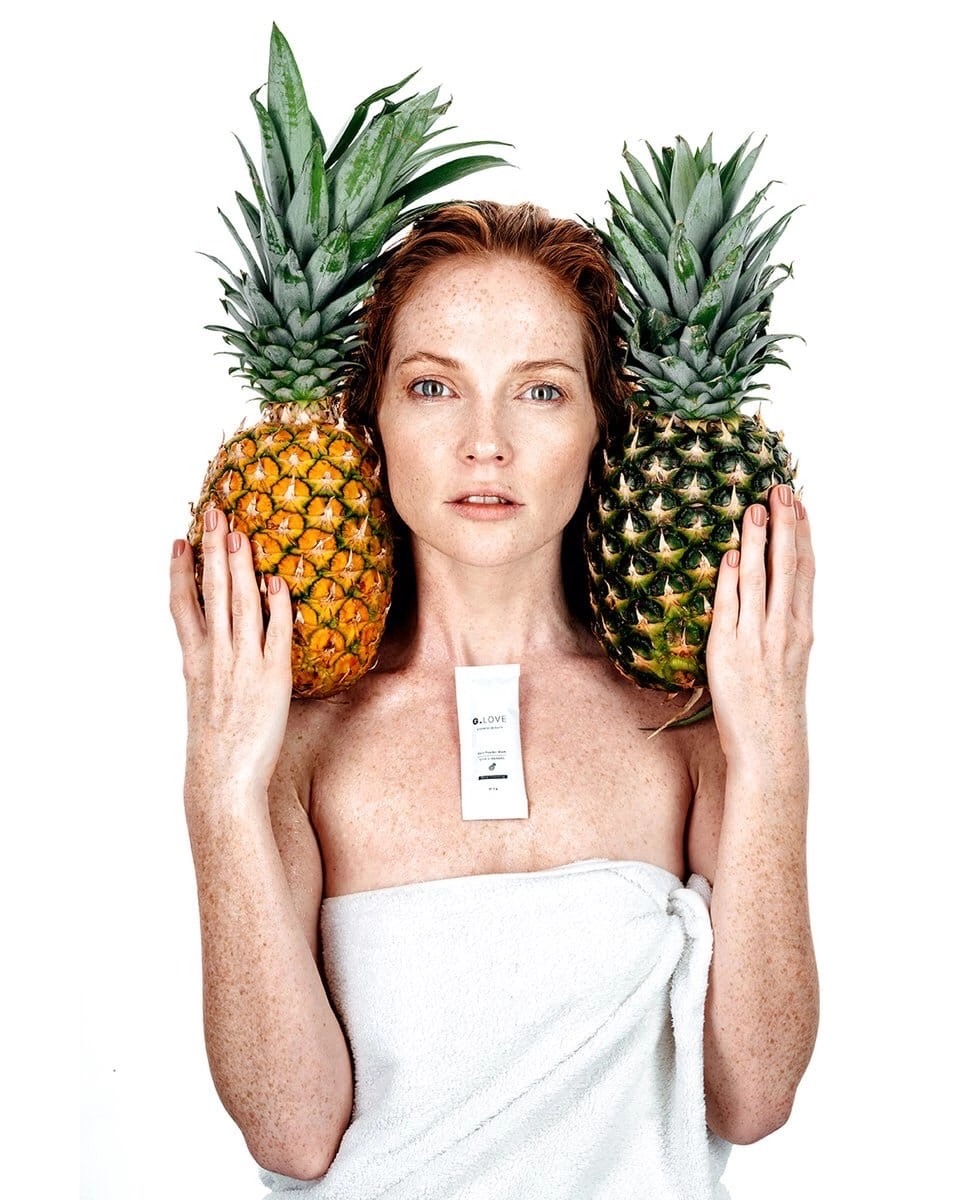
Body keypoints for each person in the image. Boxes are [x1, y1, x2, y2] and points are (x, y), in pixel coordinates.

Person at [169, 201, 818, 1199]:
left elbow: (755, 1098)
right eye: (434, 386)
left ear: (607, 424)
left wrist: (774, 750)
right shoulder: (301, 741)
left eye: (541, 392)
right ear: (369, 418)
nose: (486, 442)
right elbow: (291, 1134)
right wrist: (219, 789)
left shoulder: (686, 725)